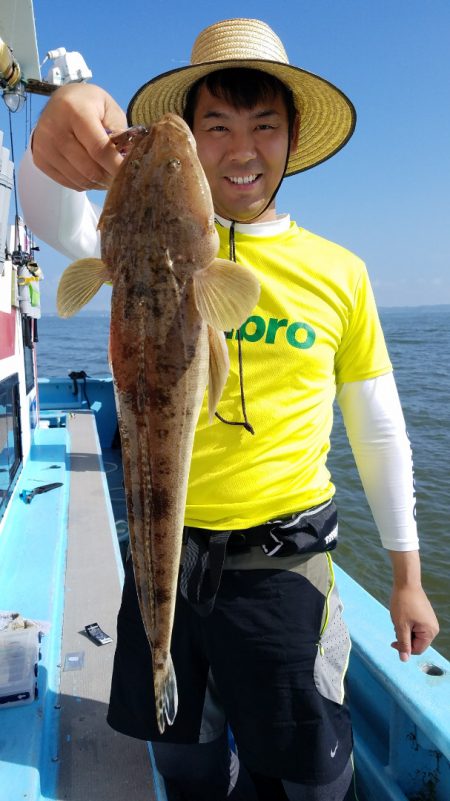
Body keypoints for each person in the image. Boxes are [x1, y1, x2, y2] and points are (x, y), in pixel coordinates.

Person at [18, 17, 439, 801]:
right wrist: (54, 128)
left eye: (263, 126)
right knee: (186, 765)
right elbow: (46, 210)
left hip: (286, 570)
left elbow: (378, 429)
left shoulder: (338, 272)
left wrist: (407, 577)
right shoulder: (121, 237)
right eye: (213, 127)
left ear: (291, 140)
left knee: (313, 777)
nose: (239, 149)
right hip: (170, 559)